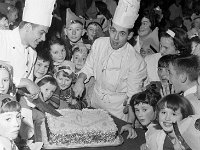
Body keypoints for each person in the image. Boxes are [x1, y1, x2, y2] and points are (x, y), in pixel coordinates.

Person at [73, 0, 147, 122]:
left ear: (129, 35)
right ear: (110, 27)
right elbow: (88, 67)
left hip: (117, 112)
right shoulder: (99, 43)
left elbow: (133, 96)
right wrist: (80, 80)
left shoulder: (136, 61)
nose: (115, 38)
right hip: (95, 103)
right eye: (113, 31)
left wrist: (129, 123)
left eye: (122, 34)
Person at [0, 0, 56, 99]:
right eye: (41, 32)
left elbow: (25, 90)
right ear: (28, 27)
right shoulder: (2, 38)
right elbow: (25, 83)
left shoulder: (32, 53)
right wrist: (25, 82)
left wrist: (32, 94)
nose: (43, 38)